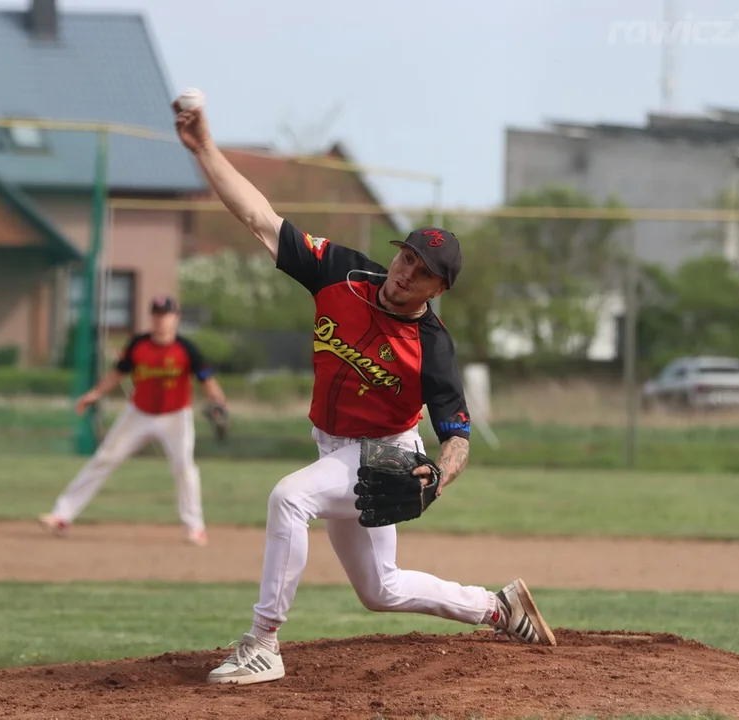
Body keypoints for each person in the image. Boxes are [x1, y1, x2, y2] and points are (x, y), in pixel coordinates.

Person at [171, 99, 556, 686]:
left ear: (439, 286)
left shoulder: (433, 346)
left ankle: (263, 642)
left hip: (385, 452)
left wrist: (440, 474)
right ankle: (498, 608)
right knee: (381, 589)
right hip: (335, 445)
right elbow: (259, 217)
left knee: (288, 499)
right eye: (405, 257)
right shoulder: (340, 274)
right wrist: (204, 149)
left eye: (422, 270)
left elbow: (457, 435)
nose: (405, 271)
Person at [38, 295, 227, 547]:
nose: (161, 319)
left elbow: (208, 381)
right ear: (152, 317)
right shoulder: (138, 344)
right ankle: (62, 516)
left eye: (166, 314)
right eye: (157, 314)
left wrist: (219, 403)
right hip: (138, 414)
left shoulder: (186, 348)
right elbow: (117, 374)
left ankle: (195, 528)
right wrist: (93, 395)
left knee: (184, 468)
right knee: (103, 459)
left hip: (175, 416)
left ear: (176, 317)